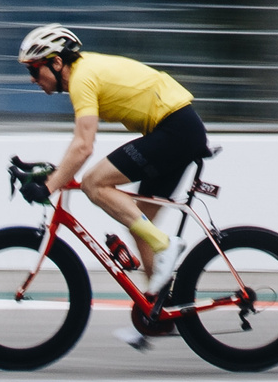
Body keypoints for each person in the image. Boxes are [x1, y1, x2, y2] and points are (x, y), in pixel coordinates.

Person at [16, 24, 209, 346]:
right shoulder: (84, 72)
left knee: (94, 183)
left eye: (35, 71)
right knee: (140, 225)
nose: (33, 80)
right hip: (176, 129)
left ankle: (166, 246)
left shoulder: (82, 78)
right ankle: (158, 313)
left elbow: (83, 146)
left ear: (57, 63)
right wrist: (51, 173)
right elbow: (78, 144)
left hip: (174, 129)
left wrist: (49, 186)